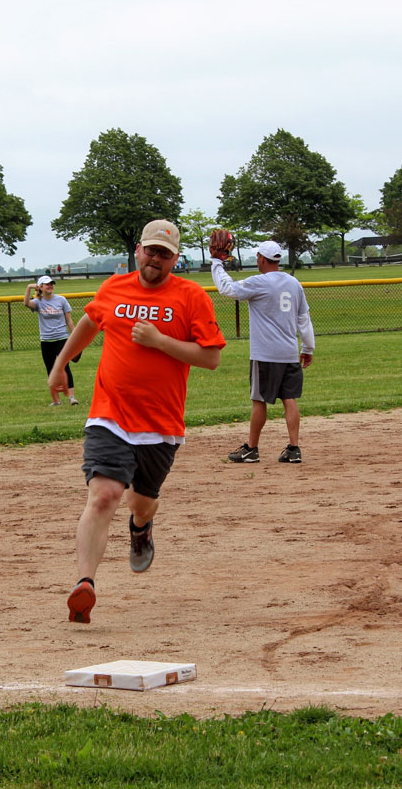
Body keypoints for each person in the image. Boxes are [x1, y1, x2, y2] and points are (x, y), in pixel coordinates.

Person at [47, 220, 226, 623]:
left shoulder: (191, 297)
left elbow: (211, 358)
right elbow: (91, 322)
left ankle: (141, 527)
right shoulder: (114, 288)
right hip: (109, 415)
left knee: (141, 503)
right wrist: (61, 364)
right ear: (138, 251)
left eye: (164, 254)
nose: (154, 259)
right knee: (104, 495)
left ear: (174, 259)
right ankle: (85, 584)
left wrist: (159, 341)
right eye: (149, 250)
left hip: (160, 423)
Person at [209, 235, 314, 464]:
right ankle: (294, 449)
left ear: (262, 259)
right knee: (290, 399)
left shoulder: (259, 282)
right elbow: (303, 318)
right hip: (288, 352)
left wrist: (217, 262)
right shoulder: (293, 283)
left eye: (257, 256)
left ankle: (251, 449)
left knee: (259, 400)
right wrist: (308, 347)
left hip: (265, 354)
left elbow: (227, 289)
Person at [24, 275, 78, 406]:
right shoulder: (37, 302)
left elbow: (69, 320)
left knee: (64, 366)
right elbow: (26, 303)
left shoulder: (61, 300)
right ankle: (56, 400)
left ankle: (71, 397)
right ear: (41, 287)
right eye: (47, 284)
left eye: (52, 284)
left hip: (62, 338)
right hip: (46, 340)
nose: (50, 286)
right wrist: (29, 287)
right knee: (50, 368)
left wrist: (76, 335)